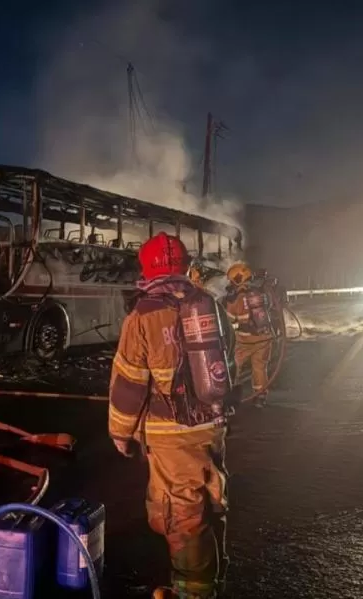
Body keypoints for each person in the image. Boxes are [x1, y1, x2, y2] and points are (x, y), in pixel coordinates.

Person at [108, 232, 232, 599]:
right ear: (185, 267)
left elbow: (129, 382)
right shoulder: (209, 305)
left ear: (146, 270)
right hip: (213, 424)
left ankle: (192, 592)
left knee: (182, 515)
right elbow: (229, 365)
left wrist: (120, 432)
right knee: (211, 501)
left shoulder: (143, 315)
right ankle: (211, 582)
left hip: (170, 434)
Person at [223, 262, 285, 407]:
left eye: (232, 280)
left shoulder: (237, 297)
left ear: (238, 279)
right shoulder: (262, 291)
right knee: (260, 368)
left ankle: (231, 397)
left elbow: (230, 318)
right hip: (265, 338)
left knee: (233, 368)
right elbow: (271, 306)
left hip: (244, 340)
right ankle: (260, 397)